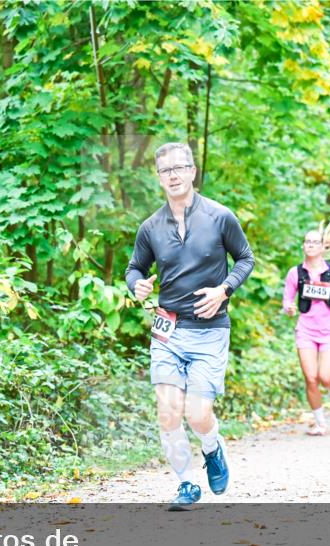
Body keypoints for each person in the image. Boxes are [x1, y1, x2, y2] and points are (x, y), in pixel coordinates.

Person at [125, 142, 254, 509]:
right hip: (168, 331)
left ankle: (212, 447)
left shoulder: (219, 216)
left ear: (193, 171)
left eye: (180, 168)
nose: (174, 175)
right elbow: (134, 267)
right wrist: (137, 283)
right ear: (159, 177)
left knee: (198, 415)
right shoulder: (150, 226)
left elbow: (245, 258)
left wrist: (224, 289)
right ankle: (186, 484)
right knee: (168, 412)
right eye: (166, 170)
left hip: (210, 331)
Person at [282, 219, 330, 435]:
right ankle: (320, 422)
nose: (311, 245)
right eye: (307, 242)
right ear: (303, 246)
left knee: (324, 375)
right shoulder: (295, 273)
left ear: (323, 247)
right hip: (306, 330)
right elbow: (287, 299)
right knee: (311, 377)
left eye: (315, 242)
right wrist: (289, 308)